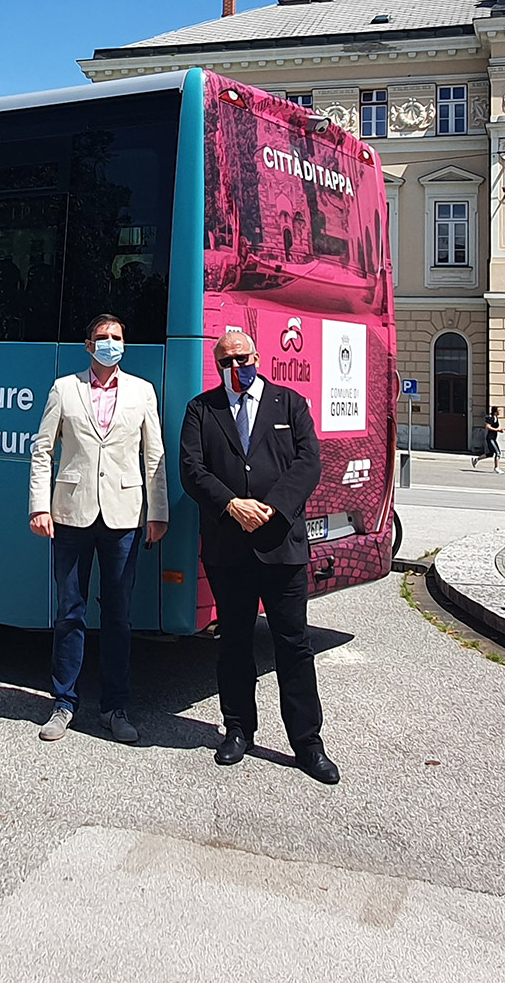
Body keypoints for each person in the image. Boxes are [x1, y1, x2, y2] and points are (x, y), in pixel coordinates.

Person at [178, 328, 337, 784]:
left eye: (242, 358)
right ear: (217, 364)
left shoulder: (289, 403)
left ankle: (307, 743)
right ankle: (237, 730)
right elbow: (192, 469)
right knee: (233, 643)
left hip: (281, 545)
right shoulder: (201, 410)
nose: (235, 368)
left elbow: (309, 462)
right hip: (229, 547)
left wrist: (274, 508)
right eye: (226, 361)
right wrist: (231, 505)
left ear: (257, 356)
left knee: (293, 644)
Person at [28, 313, 168, 743]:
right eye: (103, 338)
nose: (110, 343)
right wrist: (39, 507)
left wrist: (157, 512)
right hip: (70, 515)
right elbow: (41, 450)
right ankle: (63, 703)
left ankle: (114, 707)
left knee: (118, 616)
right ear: (88, 346)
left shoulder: (142, 392)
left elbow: (154, 455)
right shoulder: (64, 389)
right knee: (69, 611)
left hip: (124, 518)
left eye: (117, 337)